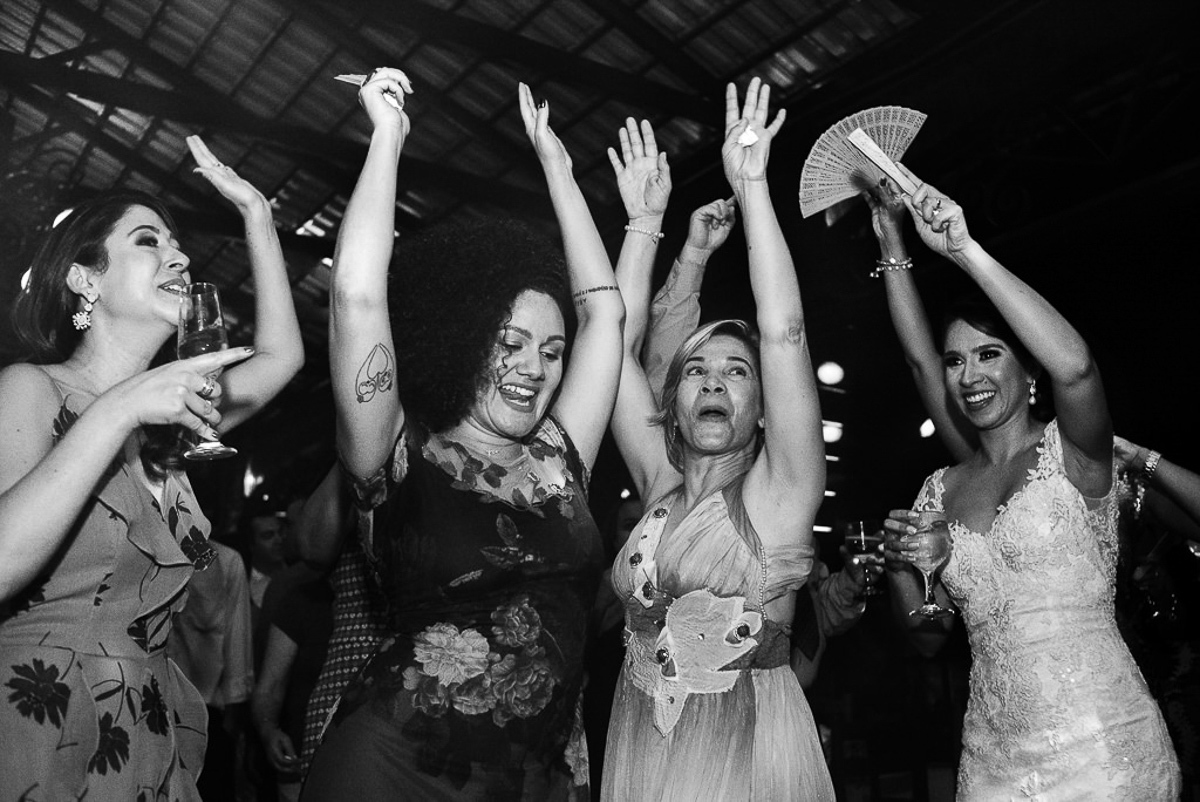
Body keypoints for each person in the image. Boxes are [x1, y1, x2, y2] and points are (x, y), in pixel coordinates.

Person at [300, 69, 622, 800]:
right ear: (460, 339)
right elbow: (355, 296)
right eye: (510, 343)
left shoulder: (561, 456)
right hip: (393, 772)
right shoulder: (394, 452)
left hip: (536, 780)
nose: (534, 367)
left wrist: (559, 170)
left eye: (551, 351)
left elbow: (606, 314)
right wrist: (388, 137)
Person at [0, 135, 303, 800]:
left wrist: (257, 215)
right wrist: (119, 409)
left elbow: (282, 358)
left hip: (147, 722)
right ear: (85, 279)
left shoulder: (169, 425)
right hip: (42, 712)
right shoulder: (31, 388)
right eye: (148, 241)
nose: (180, 256)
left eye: (178, 244)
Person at [880, 167, 1181, 798]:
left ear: (1029, 370)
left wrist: (964, 250)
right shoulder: (940, 489)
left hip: (1105, 752)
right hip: (993, 764)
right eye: (956, 361)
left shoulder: (1077, 454)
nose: (968, 376)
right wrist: (902, 567)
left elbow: (1077, 369)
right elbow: (929, 635)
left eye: (989, 354)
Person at [601, 79, 835, 800]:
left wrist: (753, 187)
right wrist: (645, 223)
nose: (712, 383)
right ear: (672, 405)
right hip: (639, 744)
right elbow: (610, 349)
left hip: (747, 753)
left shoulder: (780, 495)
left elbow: (784, 332)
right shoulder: (658, 485)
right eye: (697, 371)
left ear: (764, 409)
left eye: (736, 372)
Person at [167, 537, 255, 801]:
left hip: (208, 709)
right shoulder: (146, 552)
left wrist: (233, 710)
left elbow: (237, 639)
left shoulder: (225, 561)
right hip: (158, 702)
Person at [252, 573, 334, 801]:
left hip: (353, 762)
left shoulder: (389, 605)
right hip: (298, 763)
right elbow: (269, 686)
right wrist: (268, 729)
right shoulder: (299, 598)